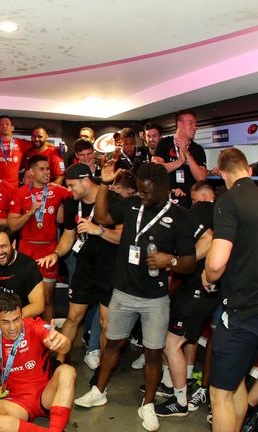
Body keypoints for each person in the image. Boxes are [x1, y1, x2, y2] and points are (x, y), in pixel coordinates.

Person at [76, 162, 197, 432]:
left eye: (146, 193)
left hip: (155, 298)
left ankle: (148, 404)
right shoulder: (132, 206)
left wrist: (171, 260)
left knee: (153, 353)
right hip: (123, 291)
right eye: (139, 191)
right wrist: (105, 183)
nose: (141, 196)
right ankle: (99, 390)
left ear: (163, 190)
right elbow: (103, 216)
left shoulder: (180, 217)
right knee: (113, 345)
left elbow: (189, 262)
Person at [38, 164, 122, 367]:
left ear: (86, 181)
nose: (69, 190)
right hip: (84, 268)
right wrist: (56, 253)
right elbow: (68, 235)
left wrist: (98, 230)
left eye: (72, 185)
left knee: (106, 323)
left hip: (109, 271)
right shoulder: (71, 203)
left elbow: (123, 237)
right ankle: (58, 363)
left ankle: (102, 371)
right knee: (73, 317)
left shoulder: (114, 201)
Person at [204, 148, 258, 432]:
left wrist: (208, 275)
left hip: (241, 312)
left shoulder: (228, 201)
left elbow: (216, 262)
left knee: (219, 395)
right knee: (237, 382)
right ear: (248, 169)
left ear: (222, 173)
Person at [0, 293, 76, 432]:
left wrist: (63, 342)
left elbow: (64, 345)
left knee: (67, 371)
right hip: (18, 402)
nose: (13, 327)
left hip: (47, 395)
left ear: (22, 315)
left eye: (16, 319)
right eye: (6, 322)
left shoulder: (34, 326)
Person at [153, 191, 217, 419]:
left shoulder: (198, 211)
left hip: (200, 291)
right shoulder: (194, 213)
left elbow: (209, 239)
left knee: (172, 343)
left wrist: (175, 263)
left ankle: (180, 401)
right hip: (191, 287)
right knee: (177, 340)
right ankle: (174, 387)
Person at [8, 154, 70, 321]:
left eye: (48, 169)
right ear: (32, 172)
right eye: (42, 169)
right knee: (24, 297)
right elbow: (12, 225)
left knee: (48, 299)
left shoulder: (58, 191)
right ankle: (25, 335)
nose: (47, 172)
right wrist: (30, 212)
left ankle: (48, 339)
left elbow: (63, 217)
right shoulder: (20, 193)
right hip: (26, 249)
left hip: (49, 249)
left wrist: (61, 206)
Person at [152, 110, 207, 208]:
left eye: (195, 124)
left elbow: (201, 178)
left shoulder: (198, 149)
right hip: (166, 200)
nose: (194, 127)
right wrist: (180, 162)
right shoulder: (164, 143)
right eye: (190, 123)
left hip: (190, 202)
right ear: (179, 124)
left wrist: (187, 155)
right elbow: (156, 169)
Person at [0, 115, 31, 186]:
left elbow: (38, 144)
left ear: (12, 128)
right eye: (2, 124)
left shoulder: (21, 143)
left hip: (14, 187)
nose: (4, 126)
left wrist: (51, 146)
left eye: (7, 124)